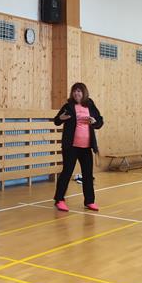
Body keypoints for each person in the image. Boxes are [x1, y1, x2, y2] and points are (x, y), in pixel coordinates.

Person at [53, 82, 103, 212]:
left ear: (84, 93)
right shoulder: (68, 106)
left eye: (79, 91)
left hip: (86, 147)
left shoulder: (90, 105)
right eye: (74, 91)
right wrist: (61, 118)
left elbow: (100, 121)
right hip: (71, 147)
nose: (76, 93)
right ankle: (59, 199)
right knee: (67, 172)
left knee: (88, 175)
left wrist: (95, 122)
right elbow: (56, 121)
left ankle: (89, 201)